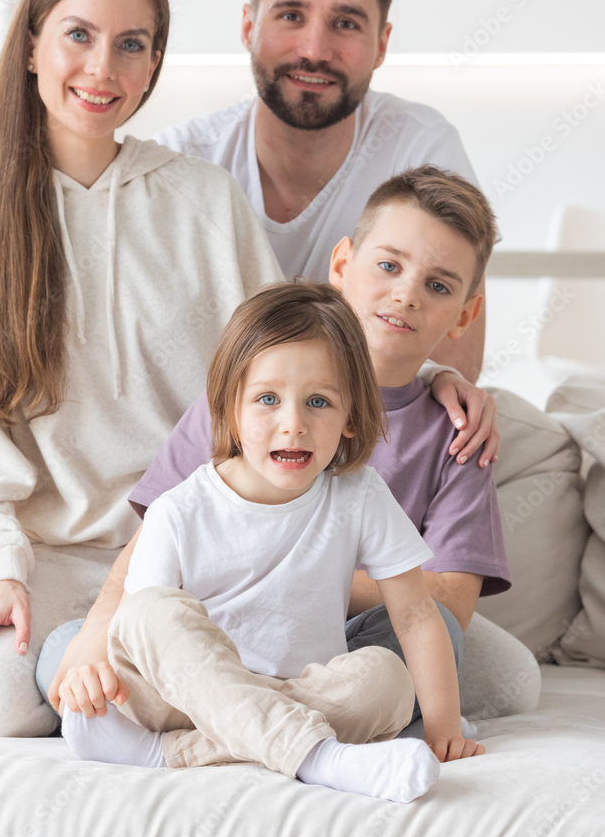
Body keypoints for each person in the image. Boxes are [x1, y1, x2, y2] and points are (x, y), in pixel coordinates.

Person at [43, 168, 539, 733]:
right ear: (342, 264)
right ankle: (280, 725)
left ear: (465, 314)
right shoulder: (248, 388)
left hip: (329, 648)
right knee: (69, 652)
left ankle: (225, 721)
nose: (405, 294)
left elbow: (445, 599)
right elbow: (157, 535)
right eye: (388, 265)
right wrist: (97, 630)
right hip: (208, 624)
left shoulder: (459, 429)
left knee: (442, 639)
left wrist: (283, 569)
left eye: (439, 285)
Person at [0, 0, 283, 737]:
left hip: (185, 548)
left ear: (154, 63)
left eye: (132, 45)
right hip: (40, 552)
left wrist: (429, 375)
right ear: (31, 44)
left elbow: (287, 358)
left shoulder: (203, 200)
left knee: (498, 677)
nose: (103, 70)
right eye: (79, 35)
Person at [59, 280, 485, 803]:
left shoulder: (359, 496)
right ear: (229, 409)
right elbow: (148, 640)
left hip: (305, 692)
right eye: (267, 399)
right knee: (151, 612)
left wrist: (444, 727)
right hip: (185, 696)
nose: (294, 425)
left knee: (385, 679)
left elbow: (417, 615)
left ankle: (166, 754)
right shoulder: (179, 509)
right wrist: (97, 662)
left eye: (318, 402)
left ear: (351, 416)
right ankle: (321, 758)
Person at [155, 0, 487, 383]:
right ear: (249, 27)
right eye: (291, 16)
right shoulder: (180, 164)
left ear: (381, 44)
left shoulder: (421, 146)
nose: (314, 49)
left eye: (345, 23)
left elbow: (452, 369)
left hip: (377, 435)